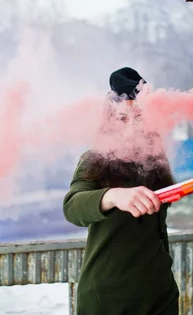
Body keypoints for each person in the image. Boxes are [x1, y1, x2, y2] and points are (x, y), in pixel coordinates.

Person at [63, 67, 180, 315]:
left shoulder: (157, 159)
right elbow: (72, 207)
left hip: (160, 294)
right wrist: (113, 196)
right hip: (108, 298)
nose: (131, 128)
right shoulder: (96, 158)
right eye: (122, 119)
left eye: (139, 118)